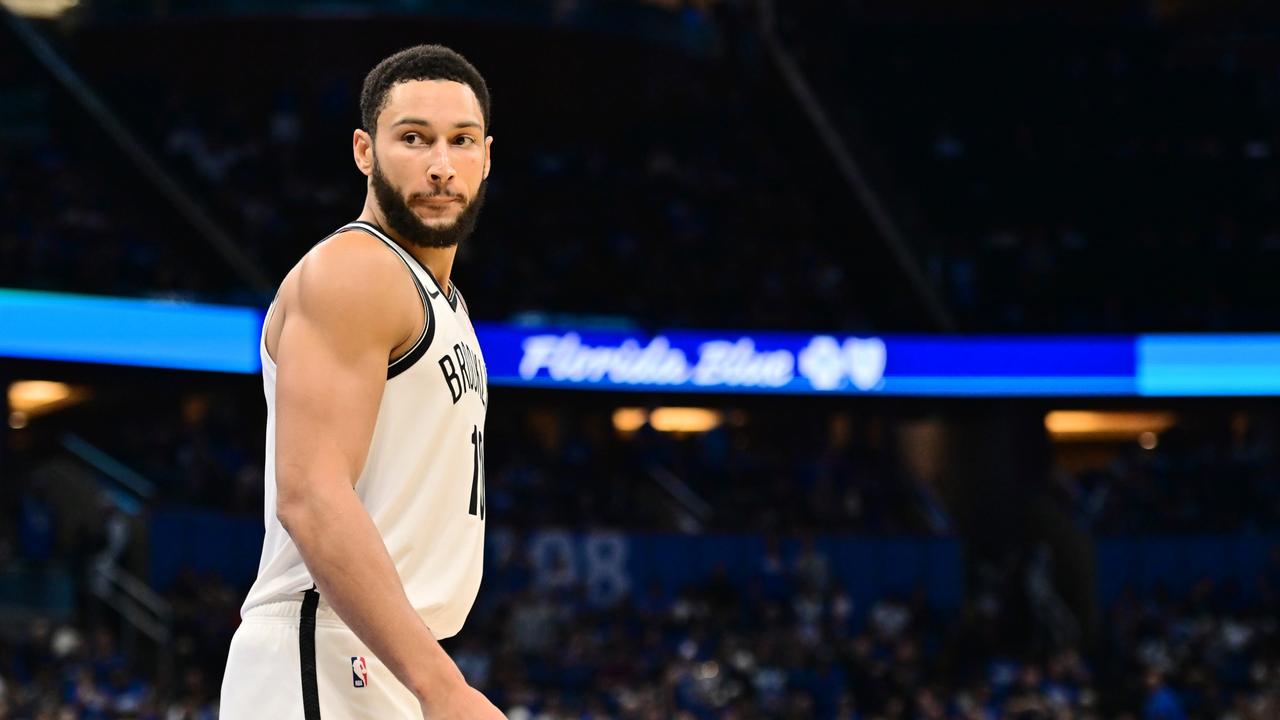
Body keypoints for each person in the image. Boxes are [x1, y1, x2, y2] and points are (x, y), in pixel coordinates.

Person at [220, 44, 502, 719]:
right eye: (413, 139)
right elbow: (312, 495)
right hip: (323, 651)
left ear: (487, 157)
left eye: (461, 141)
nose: (441, 165)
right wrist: (442, 686)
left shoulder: (444, 301)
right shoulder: (356, 270)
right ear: (363, 151)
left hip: (379, 652)